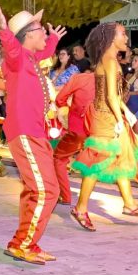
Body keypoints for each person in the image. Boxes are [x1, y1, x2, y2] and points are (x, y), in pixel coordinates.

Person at [0, 5, 66, 264]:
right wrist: (3, 30)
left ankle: (27, 243)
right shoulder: (18, 58)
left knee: (39, 190)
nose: (45, 31)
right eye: (41, 29)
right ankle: (22, 244)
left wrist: (54, 39)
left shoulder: (32, 59)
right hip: (25, 132)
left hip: (34, 133)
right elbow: (12, 49)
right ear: (28, 35)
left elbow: (45, 51)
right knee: (46, 191)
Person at [71, 23, 138, 232]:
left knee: (121, 158)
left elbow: (115, 95)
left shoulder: (112, 60)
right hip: (104, 117)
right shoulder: (108, 60)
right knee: (97, 160)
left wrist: (126, 112)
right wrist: (119, 118)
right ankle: (80, 208)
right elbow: (109, 96)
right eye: (123, 34)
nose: (126, 38)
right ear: (111, 38)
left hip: (110, 114)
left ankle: (129, 203)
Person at [52, 59, 95, 206]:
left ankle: (65, 196)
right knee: (120, 163)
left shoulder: (79, 79)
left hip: (78, 129)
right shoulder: (107, 81)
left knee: (58, 158)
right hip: (98, 130)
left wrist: (67, 108)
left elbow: (59, 99)